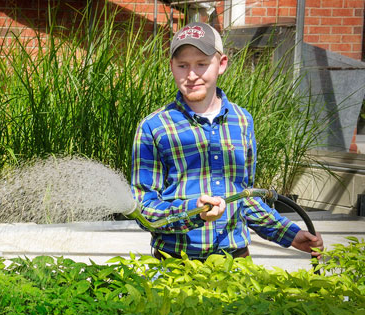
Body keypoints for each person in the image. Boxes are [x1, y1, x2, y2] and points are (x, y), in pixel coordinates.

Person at [131, 21, 323, 261]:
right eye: (182, 65)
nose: (191, 75)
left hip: (236, 261)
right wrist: (192, 212)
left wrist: (290, 235)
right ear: (171, 66)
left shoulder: (242, 121)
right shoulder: (154, 127)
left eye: (201, 64)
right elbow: (144, 209)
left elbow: (245, 197)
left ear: (221, 64)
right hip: (177, 265)